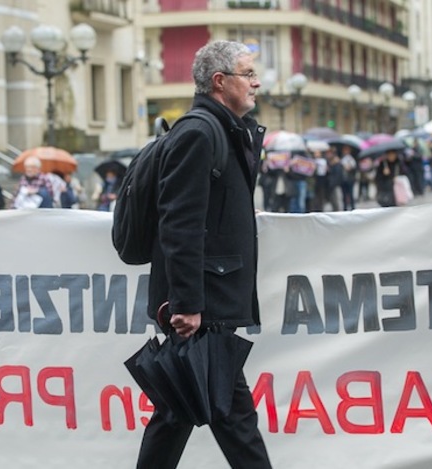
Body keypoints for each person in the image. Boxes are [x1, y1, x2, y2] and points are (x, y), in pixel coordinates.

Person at [137, 40, 272, 468]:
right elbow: (180, 225)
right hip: (203, 308)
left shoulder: (222, 129)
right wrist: (188, 305)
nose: (256, 82)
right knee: (231, 421)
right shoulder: (199, 132)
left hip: (210, 300)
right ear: (220, 81)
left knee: (179, 412)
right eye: (247, 74)